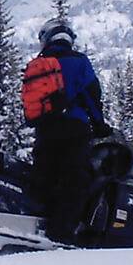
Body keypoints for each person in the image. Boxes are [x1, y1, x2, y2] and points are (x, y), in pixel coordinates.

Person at [21, 14, 111, 244]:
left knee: (44, 176)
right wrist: (100, 125)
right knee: (75, 180)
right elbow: (92, 96)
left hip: (45, 130)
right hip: (75, 129)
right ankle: (62, 234)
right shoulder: (79, 61)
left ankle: (35, 226)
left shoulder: (38, 65)